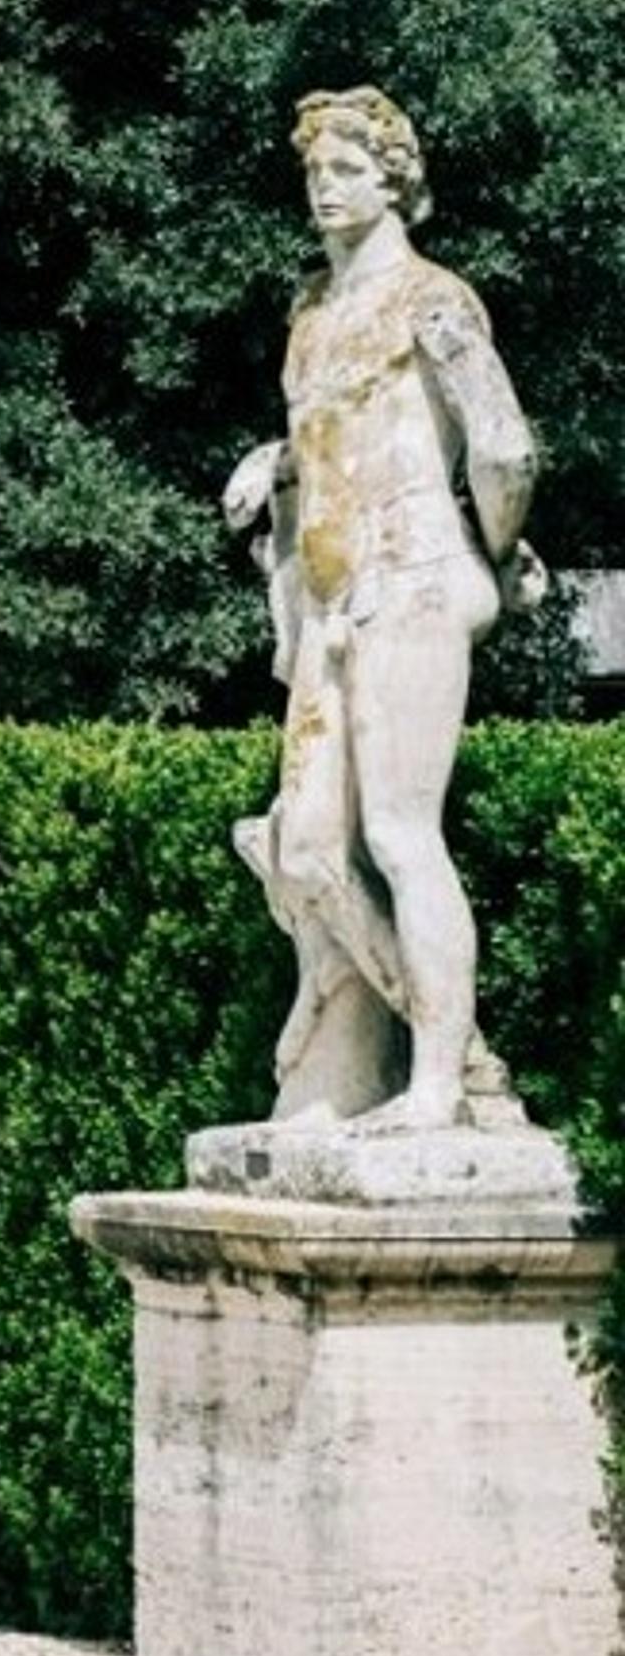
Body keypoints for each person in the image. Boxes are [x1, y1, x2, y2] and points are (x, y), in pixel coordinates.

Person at [223, 86, 538, 1133]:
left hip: (410, 575)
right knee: (307, 850)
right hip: (329, 602)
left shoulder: (433, 299)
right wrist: (272, 460)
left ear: (393, 177)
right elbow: (326, 448)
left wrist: (494, 555)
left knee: (402, 833)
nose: (325, 186)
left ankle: (442, 1086)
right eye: (314, 171)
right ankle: (457, 1056)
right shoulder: (312, 317)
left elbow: (501, 444)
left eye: (347, 167)